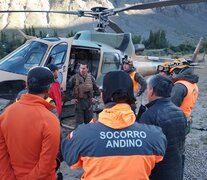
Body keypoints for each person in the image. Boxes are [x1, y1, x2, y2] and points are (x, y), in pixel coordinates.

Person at [61, 71, 167, 180]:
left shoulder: (82, 134)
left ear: (102, 96)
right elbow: (159, 157)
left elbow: (70, 159)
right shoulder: (155, 135)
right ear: (131, 96)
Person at [0, 67, 60, 179]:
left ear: (27, 86)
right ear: (49, 88)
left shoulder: (6, 114)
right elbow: (46, 165)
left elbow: (2, 155)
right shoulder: (50, 120)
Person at [137, 74, 187, 180]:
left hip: (159, 171)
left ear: (152, 90)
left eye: (148, 88)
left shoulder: (149, 115)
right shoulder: (180, 112)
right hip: (176, 167)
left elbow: (145, 150)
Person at [170, 58, 199, 134]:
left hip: (176, 122)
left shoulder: (179, 86)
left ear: (178, 70)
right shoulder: (193, 84)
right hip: (186, 119)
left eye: (173, 71)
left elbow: (171, 107)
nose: (171, 74)